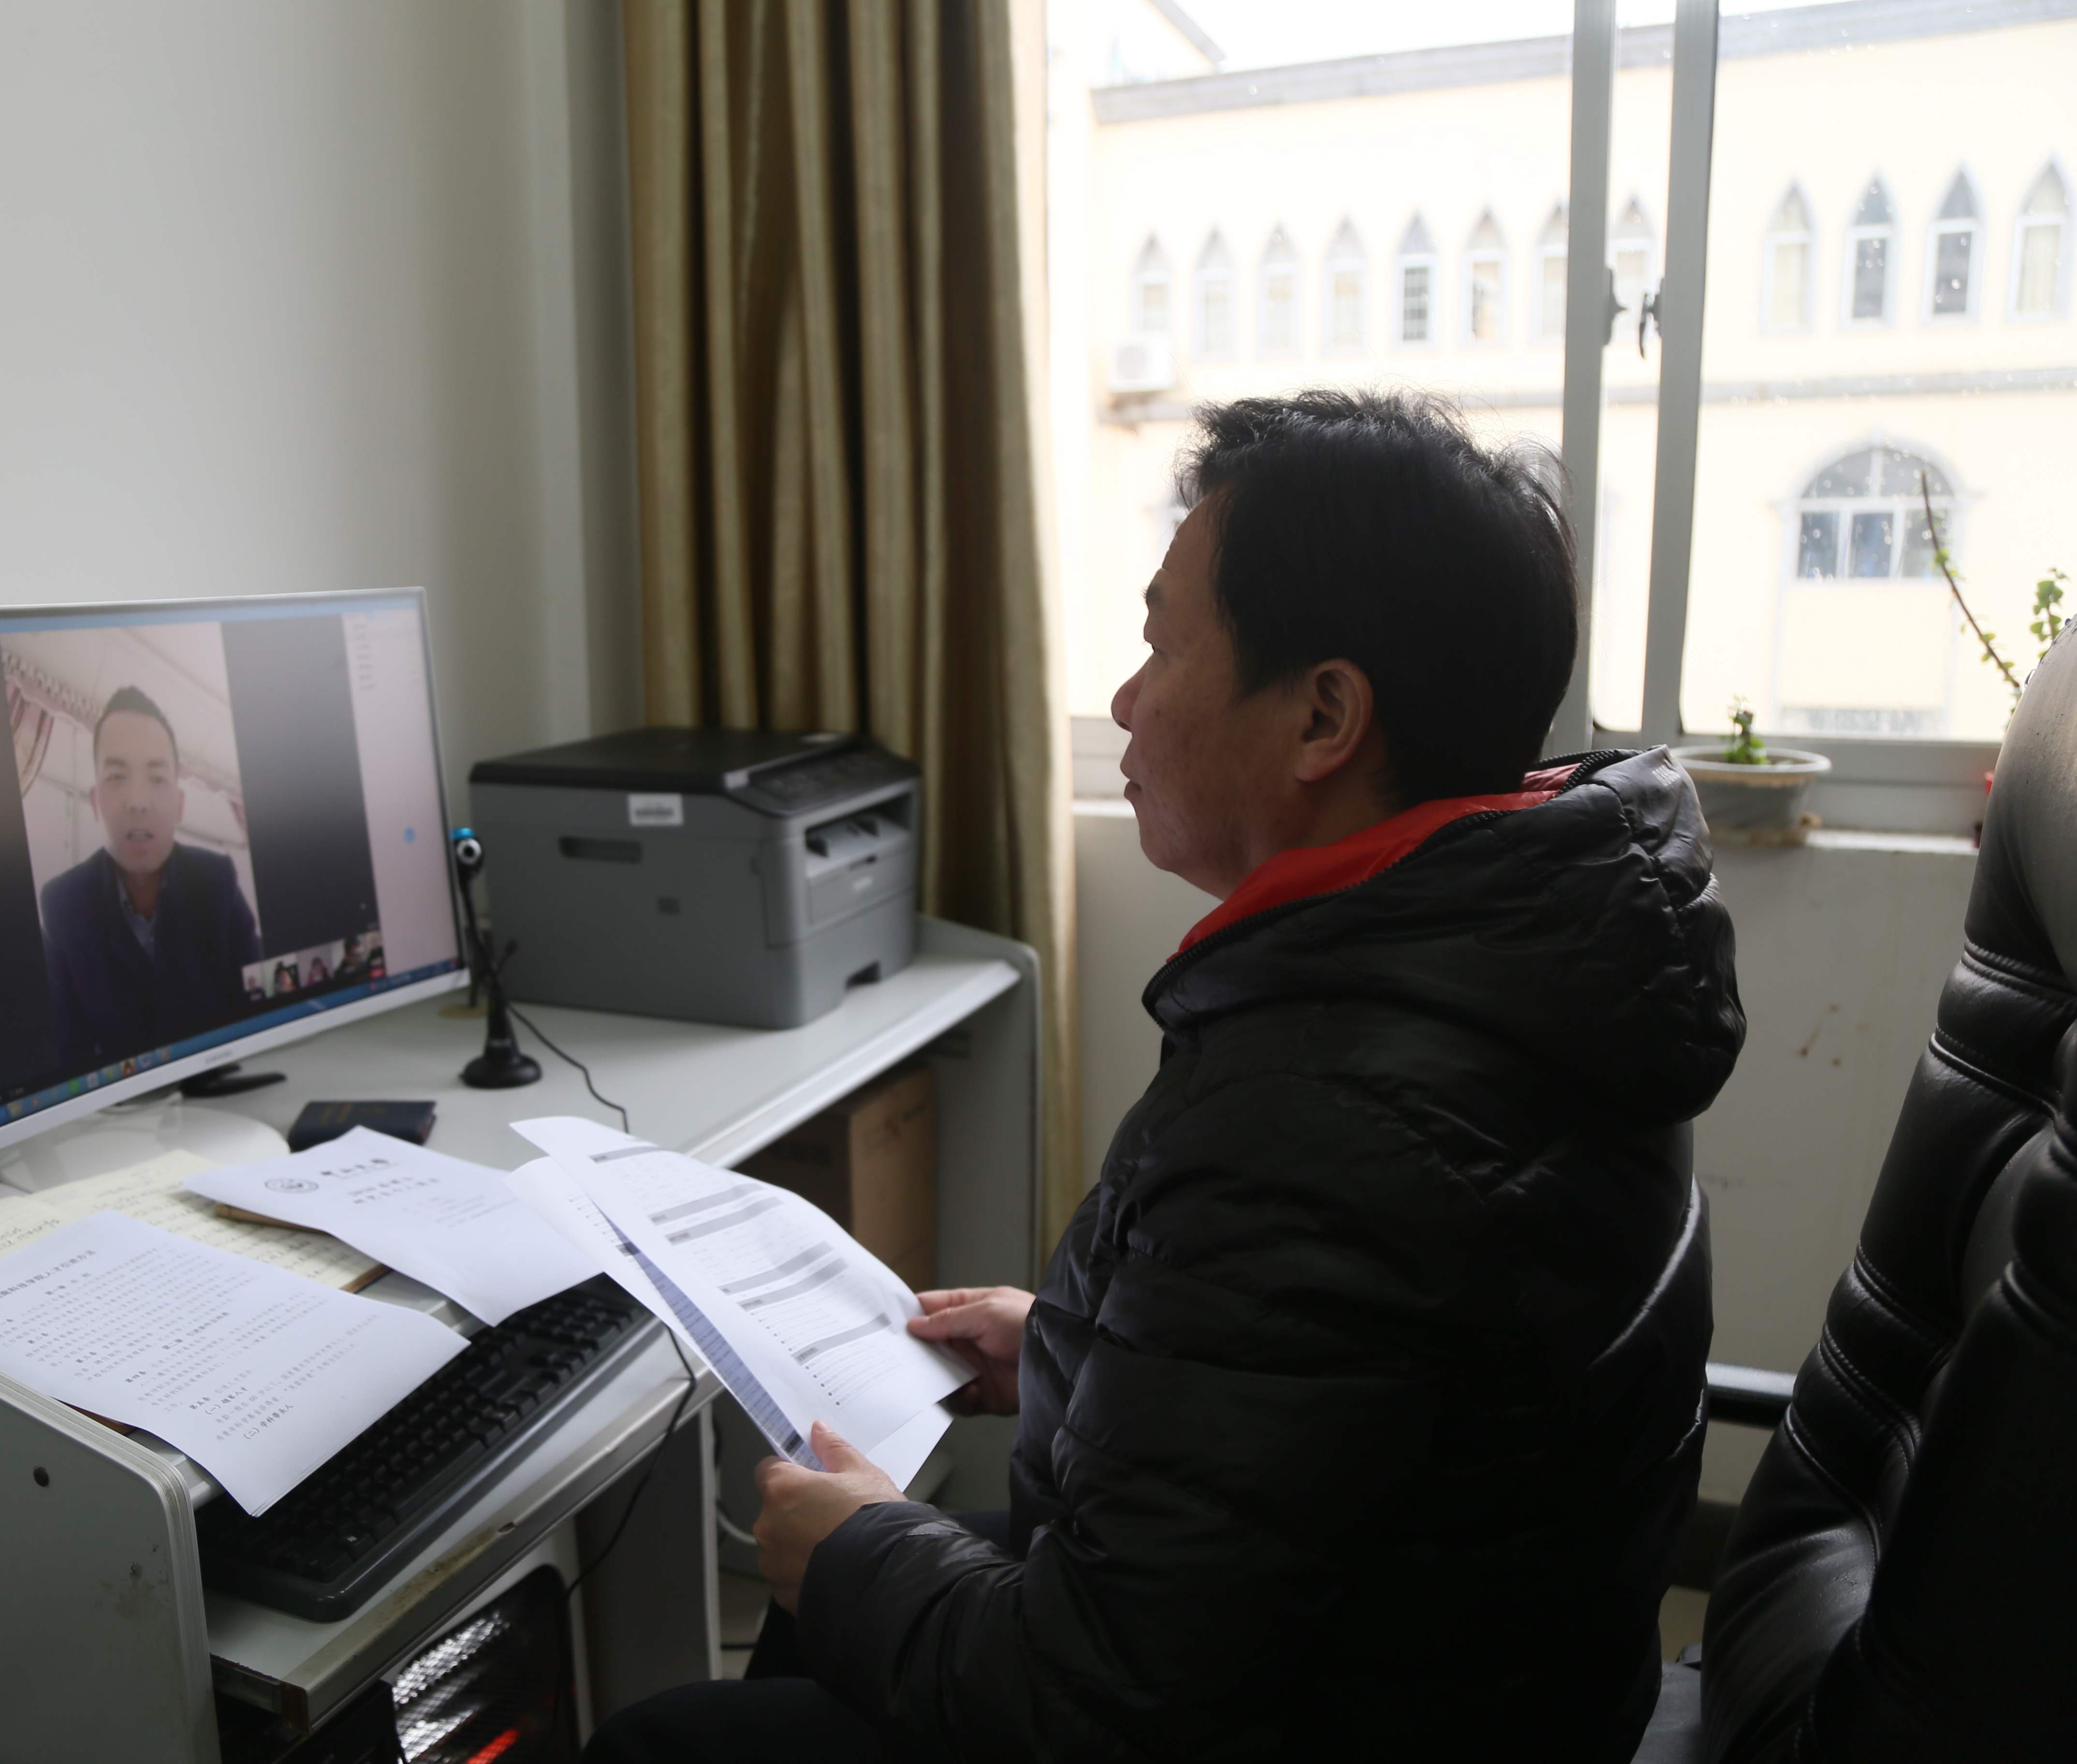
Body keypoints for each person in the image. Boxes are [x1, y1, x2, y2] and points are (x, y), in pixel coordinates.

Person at [588, 390, 1742, 1763]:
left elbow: (1097, 1706)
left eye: (1159, 647)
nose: (1128, 703)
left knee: (674, 1727)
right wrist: (1076, 1347)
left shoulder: (1331, 1116)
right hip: (1467, 1664)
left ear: (1323, 716)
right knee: (836, 1611)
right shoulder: (1540, 950)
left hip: (1351, 1715)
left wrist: (853, 1562)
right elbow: (1347, 1381)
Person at [40, 686, 262, 1070]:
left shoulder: (218, 881)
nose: (138, 802)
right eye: (117, 777)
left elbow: (257, 1008)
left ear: (179, 804)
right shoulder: (63, 904)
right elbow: (66, 1052)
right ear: (96, 802)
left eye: (157, 779)